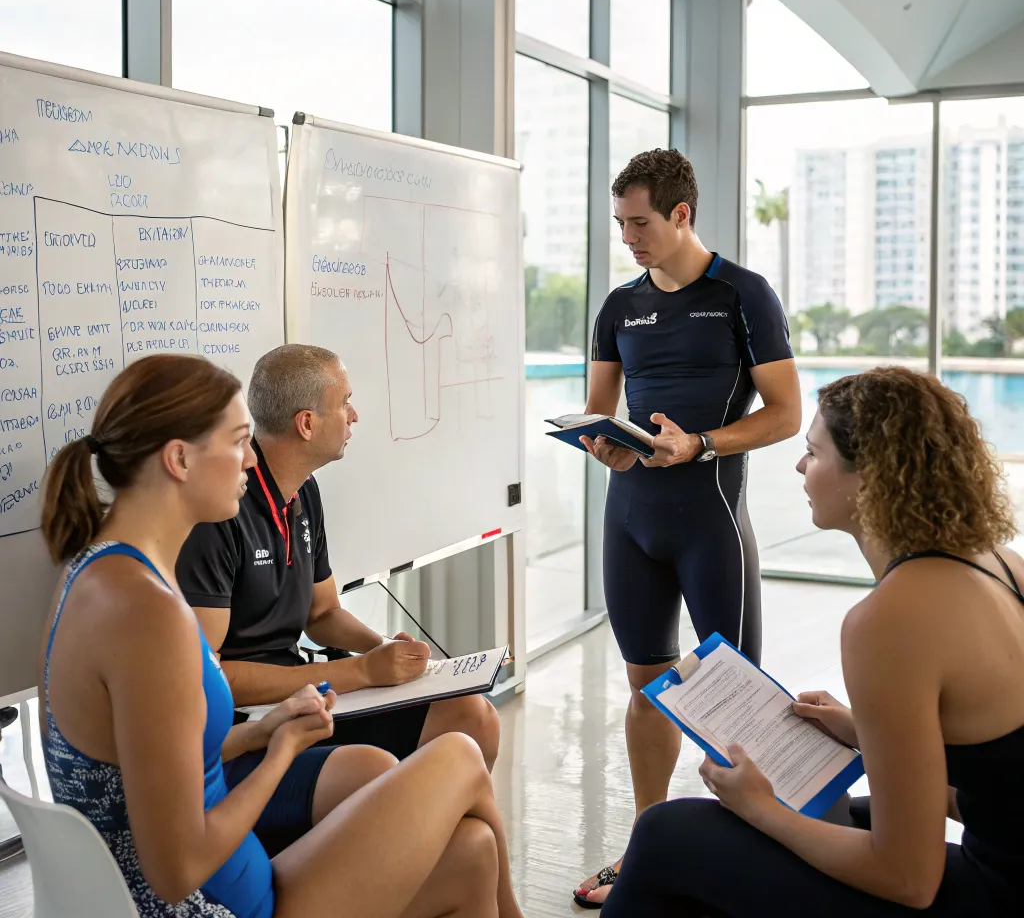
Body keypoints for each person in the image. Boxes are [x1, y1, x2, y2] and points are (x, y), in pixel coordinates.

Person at [38, 353, 524, 918]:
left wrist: (259, 733)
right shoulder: (150, 615)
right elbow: (175, 873)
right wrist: (279, 754)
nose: (251, 459)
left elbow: (154, 759)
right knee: (460, 755)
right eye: (240, 440)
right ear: (179, 460)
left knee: (473, 852)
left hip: (219, 878)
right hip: (215, 904)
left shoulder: (100, 571)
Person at [602, 367, 1024, 916]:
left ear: (870, 479)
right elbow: (999, 785)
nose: (801, 466)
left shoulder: (891, 618)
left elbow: (907, 878)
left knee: (666, 833)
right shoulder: (1001, 567)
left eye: (814, 453)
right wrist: (860, 732)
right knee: (832, 807)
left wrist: (762, 810)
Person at [575, 148, 802, 906]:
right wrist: (603, 443)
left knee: (733, 698)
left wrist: (699, 443)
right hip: (631, 519)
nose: (629, 237)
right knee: (648, 689)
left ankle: (750, 853)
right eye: (620, 223)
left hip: (710, 520)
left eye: (639, 222)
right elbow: (599, 411)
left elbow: (787, 415)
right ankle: (651, 848)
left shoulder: (743, 295)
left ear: (681, 214)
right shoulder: (618, 306)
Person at [174, 344, 501, 854]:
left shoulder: (303, 492)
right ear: (307, 424)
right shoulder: (220, 512)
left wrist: (385, 652)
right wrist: (363, 672)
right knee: (387, 773)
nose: (354, 415)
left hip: (309, 698)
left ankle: (445, 874)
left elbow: (321, 612)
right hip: (254, 724)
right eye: (344, 402)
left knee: (472, 714)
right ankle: (441, 874)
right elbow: (211, 679)